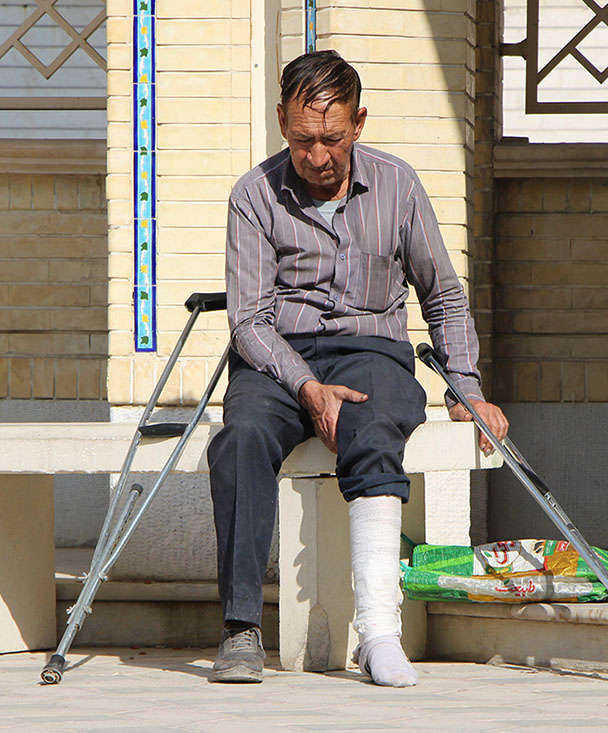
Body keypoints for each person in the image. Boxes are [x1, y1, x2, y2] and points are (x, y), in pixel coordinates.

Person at [207, 50, 509, 686]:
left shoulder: (398, 185)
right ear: (282, 122)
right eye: (303, 140)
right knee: (241, 437)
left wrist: (465, 388)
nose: (318, 156)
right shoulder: (253, 195)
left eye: (333, 139)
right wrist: (307, 386)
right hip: (278, 357)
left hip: (373, 353)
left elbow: (442, 294)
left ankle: (378, 634)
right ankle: (240, 629)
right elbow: (249, 321)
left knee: (372, 428)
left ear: (359, 122)